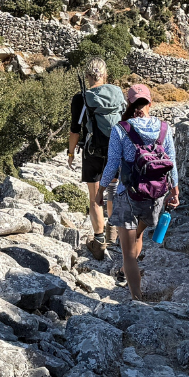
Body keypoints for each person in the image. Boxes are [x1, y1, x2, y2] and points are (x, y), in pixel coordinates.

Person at [101, 83, 179, 301]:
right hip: (156, 195)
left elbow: (112, 164)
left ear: (129, 104)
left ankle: (136, 297)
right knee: (139, 235)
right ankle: (133, 284)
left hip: (128, 193)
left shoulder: (121, 129)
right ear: (150, 103)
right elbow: (172, 162)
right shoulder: (164, 128)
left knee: (127, 253)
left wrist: (100, 189)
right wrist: (175, 191)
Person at [67, 59, 124, 259]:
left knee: (94, 197)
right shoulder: (117, 93)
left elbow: (75, 129)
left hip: (92, 151)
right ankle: (114, 235)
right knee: (113, 191)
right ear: (105, 75)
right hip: (115, 150)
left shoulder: (81, 98)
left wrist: (71, 152)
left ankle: (99, 242)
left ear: (87, 76)